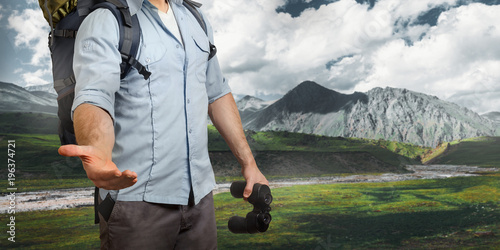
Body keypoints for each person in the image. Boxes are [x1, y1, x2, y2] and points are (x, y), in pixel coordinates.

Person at [57, 0, 268, 248]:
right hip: (135, 203)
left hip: (199, 198)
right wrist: (99, 150)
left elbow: (217, 93)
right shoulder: (106, 19)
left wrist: (249, 163)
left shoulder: (194, 17)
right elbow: (94, 95)